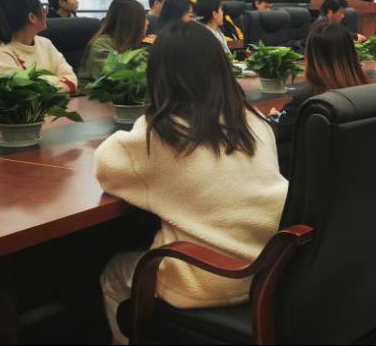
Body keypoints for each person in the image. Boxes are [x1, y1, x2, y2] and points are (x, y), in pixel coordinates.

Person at [95, 23, 287, 345]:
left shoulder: (161, 133)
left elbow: (106, 166)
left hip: (206, 281)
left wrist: (144, 121)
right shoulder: (253, 120)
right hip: (270, 270)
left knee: (114, 273)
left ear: (159, 76)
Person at [270, 21, 369, 174]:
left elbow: (278, 144)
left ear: (311, 57)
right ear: (352, 54)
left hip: (310, 184)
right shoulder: (369, 95)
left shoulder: (308, 103)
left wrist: (274, 120)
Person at [0, 0, 77, 92]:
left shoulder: (45, 44)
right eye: (43, 8)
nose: (45, 13)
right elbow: (22, 91)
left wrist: (37, 82)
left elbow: (71, 81)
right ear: (32, 17)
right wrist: (56, 81)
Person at [79, 0, 150, 84]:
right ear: (131, 22)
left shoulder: (133, 43)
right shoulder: (100, 44)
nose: (147, 22)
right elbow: (118, 77)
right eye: (143, 18)